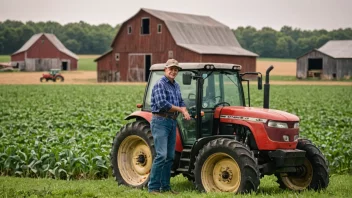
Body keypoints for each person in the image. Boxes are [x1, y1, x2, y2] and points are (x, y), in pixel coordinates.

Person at [148, 59, 191, 194]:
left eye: (176, 69)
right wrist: (181, 110)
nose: (173, 71)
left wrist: (185, 110)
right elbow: (162, 104)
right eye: (171, 69)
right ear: (165, 70)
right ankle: (153, 187)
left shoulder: (175, 85)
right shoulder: (160, 84)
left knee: (170, 156)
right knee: (161, 155)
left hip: (172, 122)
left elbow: (181, 101)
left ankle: (165, 187)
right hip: (160, 121)